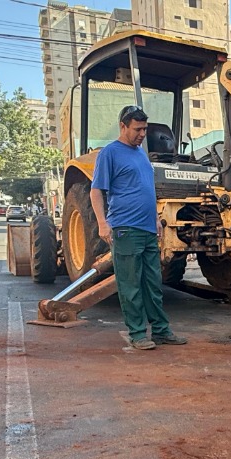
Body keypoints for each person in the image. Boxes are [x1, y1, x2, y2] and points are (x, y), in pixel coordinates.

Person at [91, 105, 187, 350]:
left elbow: (147, 188)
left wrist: (155, 219)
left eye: (144, 129)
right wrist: (103, 223)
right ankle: (137, 333)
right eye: (137, 129)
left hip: (147, 229)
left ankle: (161, 331)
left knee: (153, 284)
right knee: (130, 285)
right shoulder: (110, 153)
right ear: (123, 126)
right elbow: (96, 190)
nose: (142, 134)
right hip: (126, 228)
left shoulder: (141, 154)